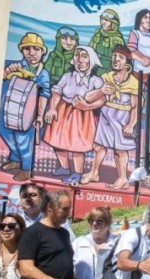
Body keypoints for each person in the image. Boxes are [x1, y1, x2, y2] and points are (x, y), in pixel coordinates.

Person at [43, 46, 104, 185]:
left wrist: (87, 106)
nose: (80, 60)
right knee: (57, 142)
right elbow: (57, 91)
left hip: (82, 117)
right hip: (63, 111)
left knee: (77, 146)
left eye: (84, 56)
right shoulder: (67, 76)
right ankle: (64, 167)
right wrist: (52, 108)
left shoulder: (96, 80)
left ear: (91, 60)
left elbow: (102, 100)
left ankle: (77, 173)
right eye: (77, 55)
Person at [81, 45, 139, 189]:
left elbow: (136, 107)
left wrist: (131, 124)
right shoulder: (106, 78)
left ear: (127, 62)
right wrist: (101, 91)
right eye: (114, 56)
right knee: (99, 146)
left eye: (120, 57)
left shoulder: (133, 83)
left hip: (121, 118)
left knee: (120, 150)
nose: (116, 59)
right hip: (106, 116)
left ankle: (123, 178)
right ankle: (94, 173)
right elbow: (89, 97)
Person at [0, 33, 51, 181]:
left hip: (28, 114)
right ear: (22, 51)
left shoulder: (43, 73)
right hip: (8, 111)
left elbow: (44, 94)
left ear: (42, 52)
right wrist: (7, 72)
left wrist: (40, 116)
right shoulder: (13, 64)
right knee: (5, 131)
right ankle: (15, 159)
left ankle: (26, 169)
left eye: (36, 49)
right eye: (27, 49)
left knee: (23, 140)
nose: (32, 53)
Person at [88, 9, 125, 76]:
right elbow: (89, 48)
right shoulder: (97, 33)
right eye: (102, 19)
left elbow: (120, 58)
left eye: (106, 20)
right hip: (93, 65)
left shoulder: (117, 39)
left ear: (113, 23)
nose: (103, 22)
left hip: (108, 68)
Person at [128, 9, 150, 74]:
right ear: (139, 20)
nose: (148, 20)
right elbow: (130, 51)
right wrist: (142, 58)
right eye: (145, 17)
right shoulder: (135, 33)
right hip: (139, 72)